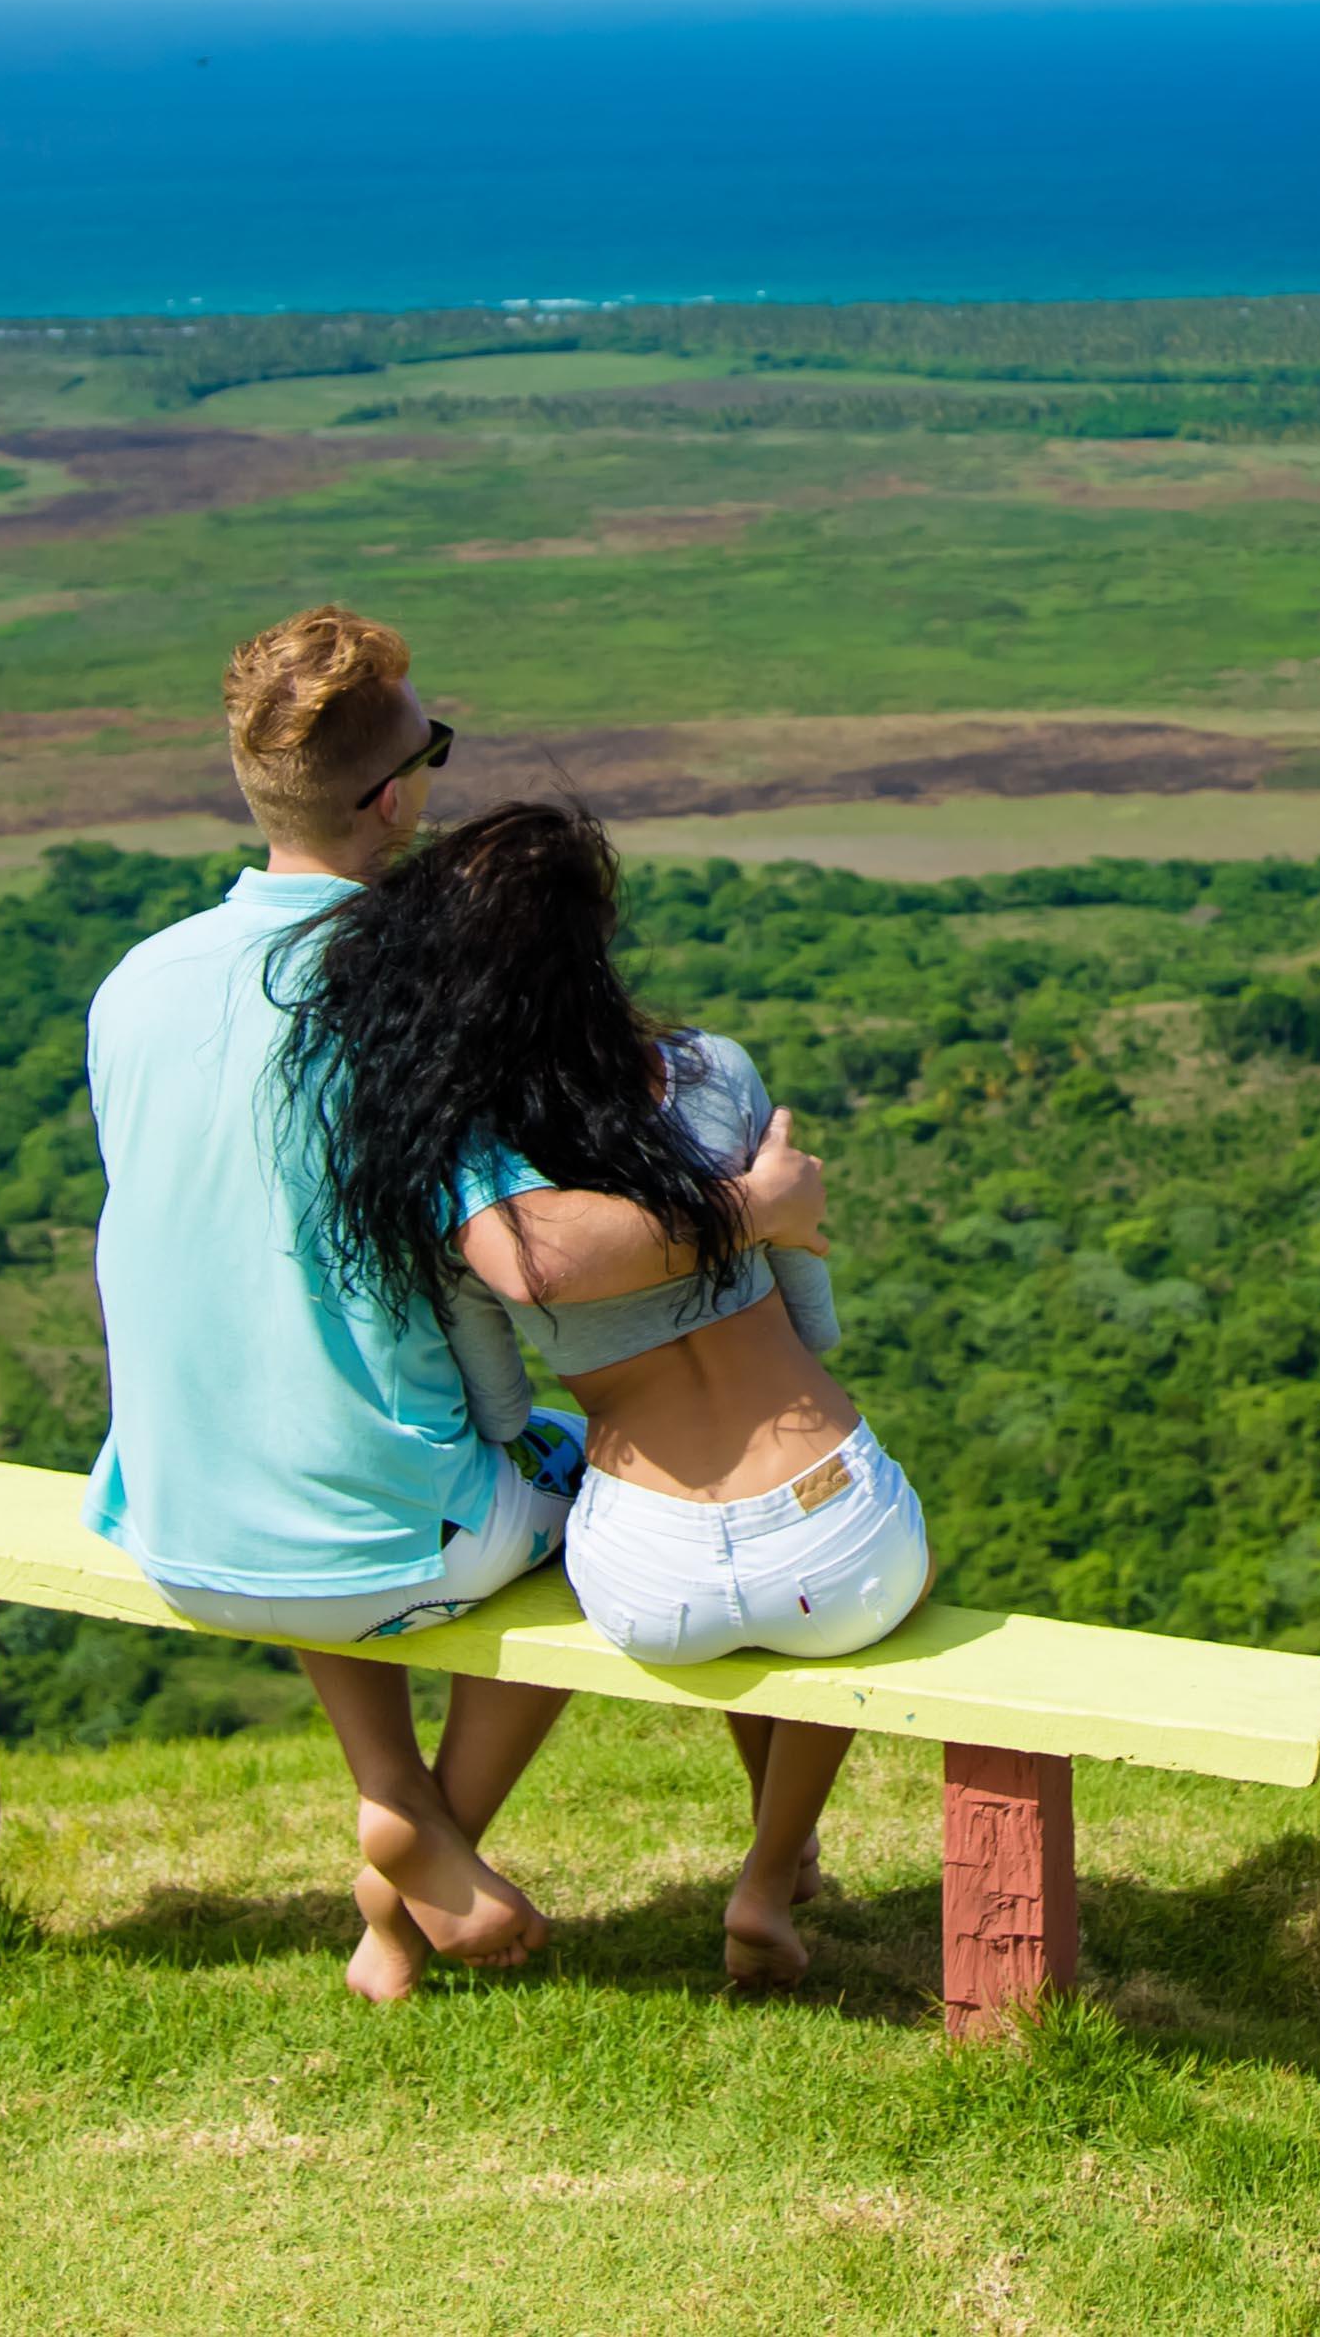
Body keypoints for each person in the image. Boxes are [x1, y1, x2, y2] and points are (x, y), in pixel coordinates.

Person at [82, 606, 828, 2002]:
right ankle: (416, 1870)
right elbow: (531, 1262)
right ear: (395, 793)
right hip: (368, 1533)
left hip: (166, 1514)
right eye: (430, 748)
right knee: (603, 1524)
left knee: (330, 1423)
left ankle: (394, 1793)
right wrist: (751, 1209)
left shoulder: (134, 986)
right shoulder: (402, 1004)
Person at [296, 798, 931, 1988]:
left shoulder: (465, 1159)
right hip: (833, 1541)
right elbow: (812, 1313)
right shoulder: (714, 1072)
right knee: (860, 1590)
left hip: (650, 1576)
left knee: (569, 1558)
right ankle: (771, 1872)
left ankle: (399, 1910)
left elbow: (495, 1404)